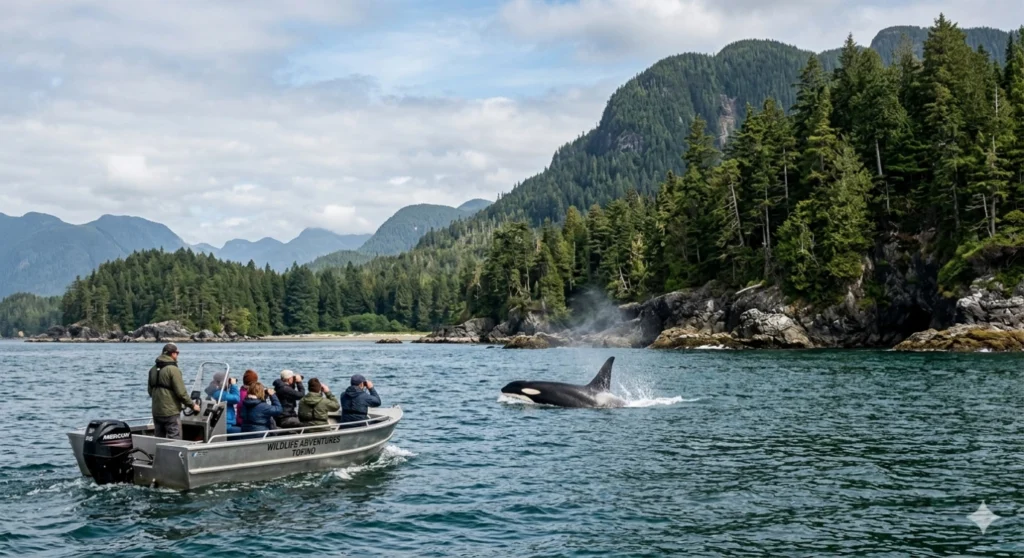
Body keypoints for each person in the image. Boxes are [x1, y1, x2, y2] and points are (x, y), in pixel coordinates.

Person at [147, 343, 199, 439]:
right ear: (173, 354)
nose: (177, 356)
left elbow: (150, 391)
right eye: (177, 353)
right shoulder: (173, 370)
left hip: (156, 411)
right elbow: (181, 392)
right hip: (171, 412)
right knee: (175, 438)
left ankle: (159, 454)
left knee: (159, 438)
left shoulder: (152, 370)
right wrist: (192, 405)